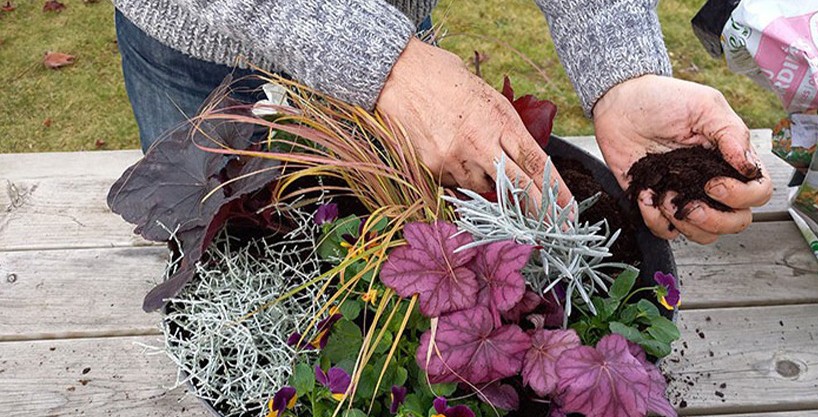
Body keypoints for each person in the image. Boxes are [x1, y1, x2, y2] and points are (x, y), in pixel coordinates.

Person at [113, 0, 772, 245]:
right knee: (223, 241)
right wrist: (384, 66)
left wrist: (621, 68)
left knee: (402, 242)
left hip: (402, 43)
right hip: (205, 50)